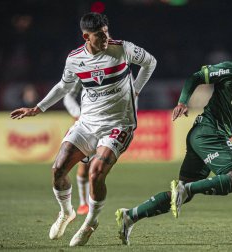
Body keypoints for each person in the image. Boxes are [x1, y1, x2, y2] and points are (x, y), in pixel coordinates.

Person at [10, 12, 156, 247]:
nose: (106, 38)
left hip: (119, 124)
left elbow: (150, 62)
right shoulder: (75, 59)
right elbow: (63, 86)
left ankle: (90, 221)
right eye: (99, 35)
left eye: (107, 32)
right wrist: (38, 108)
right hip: (87, 123)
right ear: (86, 36)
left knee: (96, 171)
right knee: (58, 169)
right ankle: (67, 212)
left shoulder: (123, 49)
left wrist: (136, 89)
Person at [115, 37, 232, 245]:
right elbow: (196, 77)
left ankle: (130, 215)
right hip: (208, 132)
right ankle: (187, 189)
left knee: (183, 192)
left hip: (211, 138)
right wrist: (182, 101)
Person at [63, 82, 90, 215]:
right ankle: (84, 203)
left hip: (107, 122)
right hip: (86, 124)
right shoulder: (81, 68)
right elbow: (68, 96)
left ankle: (90, 203)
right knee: (85, 166)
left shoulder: (118, 68)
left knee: (99, 167)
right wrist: (78, 113)